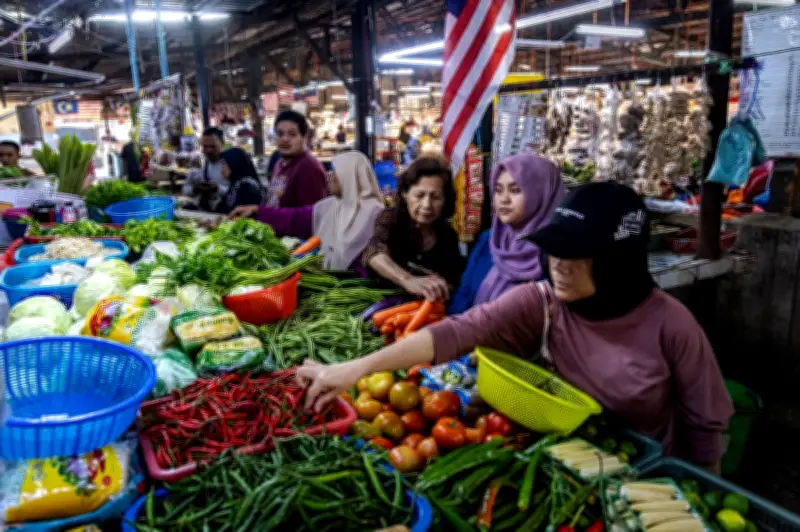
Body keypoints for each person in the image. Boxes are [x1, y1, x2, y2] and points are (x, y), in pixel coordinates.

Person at [298, 182, 733, 470]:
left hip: (642, 477)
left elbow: (705, 430)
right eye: (555, 250)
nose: (559, 265)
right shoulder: (542, 302)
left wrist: (696, 496)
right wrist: (354, 369)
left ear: (617, 260)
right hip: (558, 465)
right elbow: (456, 332)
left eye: (577, 253)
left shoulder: (672, 325)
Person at [229, 151, 384, 272]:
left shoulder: (375, 213)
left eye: (335, 171)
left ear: (349, 176)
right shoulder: (330, 206)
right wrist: (257, 211)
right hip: (329, 283)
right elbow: (295, 218)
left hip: (360, 288)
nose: (329, 175)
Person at [449, 153, 564, 314]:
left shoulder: (558, 253)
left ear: (542, 194)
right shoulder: (490, 239)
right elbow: (464, 293)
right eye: (498, 190)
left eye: (515, 190)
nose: (504, 199)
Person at [362, 156, 465, 302]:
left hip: (427, 309)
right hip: (385, 306)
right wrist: (407, 279)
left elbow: (454, 280)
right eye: (419, 195)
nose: (427, 205)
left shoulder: (447, 234)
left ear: (445, 200)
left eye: (436, 197)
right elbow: (374, 252)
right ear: (405, 194)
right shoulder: (390, 219)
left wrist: (443, 286)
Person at [266, 110, 328, 208]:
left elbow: (310, 214)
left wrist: (262, 211)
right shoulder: (279, 164)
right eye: (280, 134)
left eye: (292, 134)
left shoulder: (309, 168)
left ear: (304, 137)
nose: (285, 139)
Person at [182, 128, 229, 211]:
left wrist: (218, 189)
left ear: (222, 143)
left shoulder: (231, 165)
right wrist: (195, 189)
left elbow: (241, 193)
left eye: (213, 146)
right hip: (205, 213)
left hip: (226, 213)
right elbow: (185, 189)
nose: (208, 150)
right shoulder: (199, 164)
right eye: (205, 146)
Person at [215, 148, 264, 215]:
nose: (222, 168)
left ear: (234, 163)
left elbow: (245, 214)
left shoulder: (248, 186)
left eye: (224, 164)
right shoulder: (237, 182)